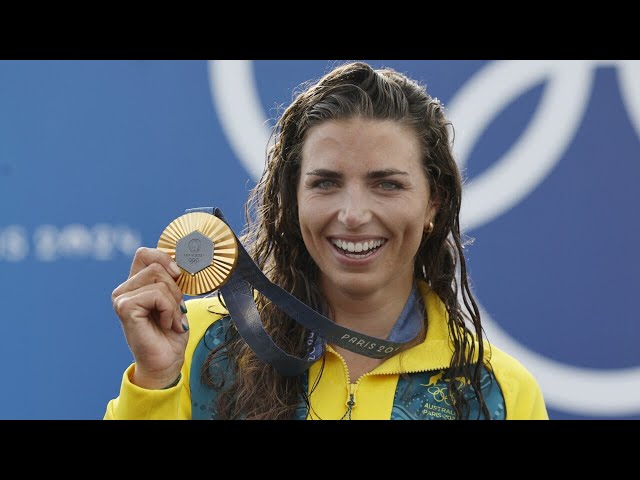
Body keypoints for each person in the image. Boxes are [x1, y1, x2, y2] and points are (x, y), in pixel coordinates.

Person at [105, 61, 548, 420]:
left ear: (434, 203)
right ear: (292, 198)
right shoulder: (198, 342)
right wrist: (156, 381)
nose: (352, 214)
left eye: (387, 184)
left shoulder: (498, 393)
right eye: (326, 183)